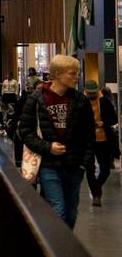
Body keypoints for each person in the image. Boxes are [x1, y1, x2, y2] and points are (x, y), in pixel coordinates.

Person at [18, 55, 94, 229]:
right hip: (48, 164)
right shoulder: (36, 99)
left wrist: (85, 162)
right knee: (58, 209)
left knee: (71, 212)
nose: (76, 78)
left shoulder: (81, 100)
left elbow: (89, 135)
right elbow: (25, 131)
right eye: (72, 74)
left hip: (74, 165)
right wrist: (47, 147)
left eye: (77, 73)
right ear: (58, 74)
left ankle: (62, 243)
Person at [83, 80, 117, 206]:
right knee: (89, 169)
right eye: (89, 93)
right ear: (86, 92)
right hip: (88, 141)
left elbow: (114, 119)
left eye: (94, 93)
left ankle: (97, 188)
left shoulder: (105, 102)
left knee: (105, 170)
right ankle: (96, 195)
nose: (92, 95)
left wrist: (104, 123)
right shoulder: (82, 103)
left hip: (104, 140)